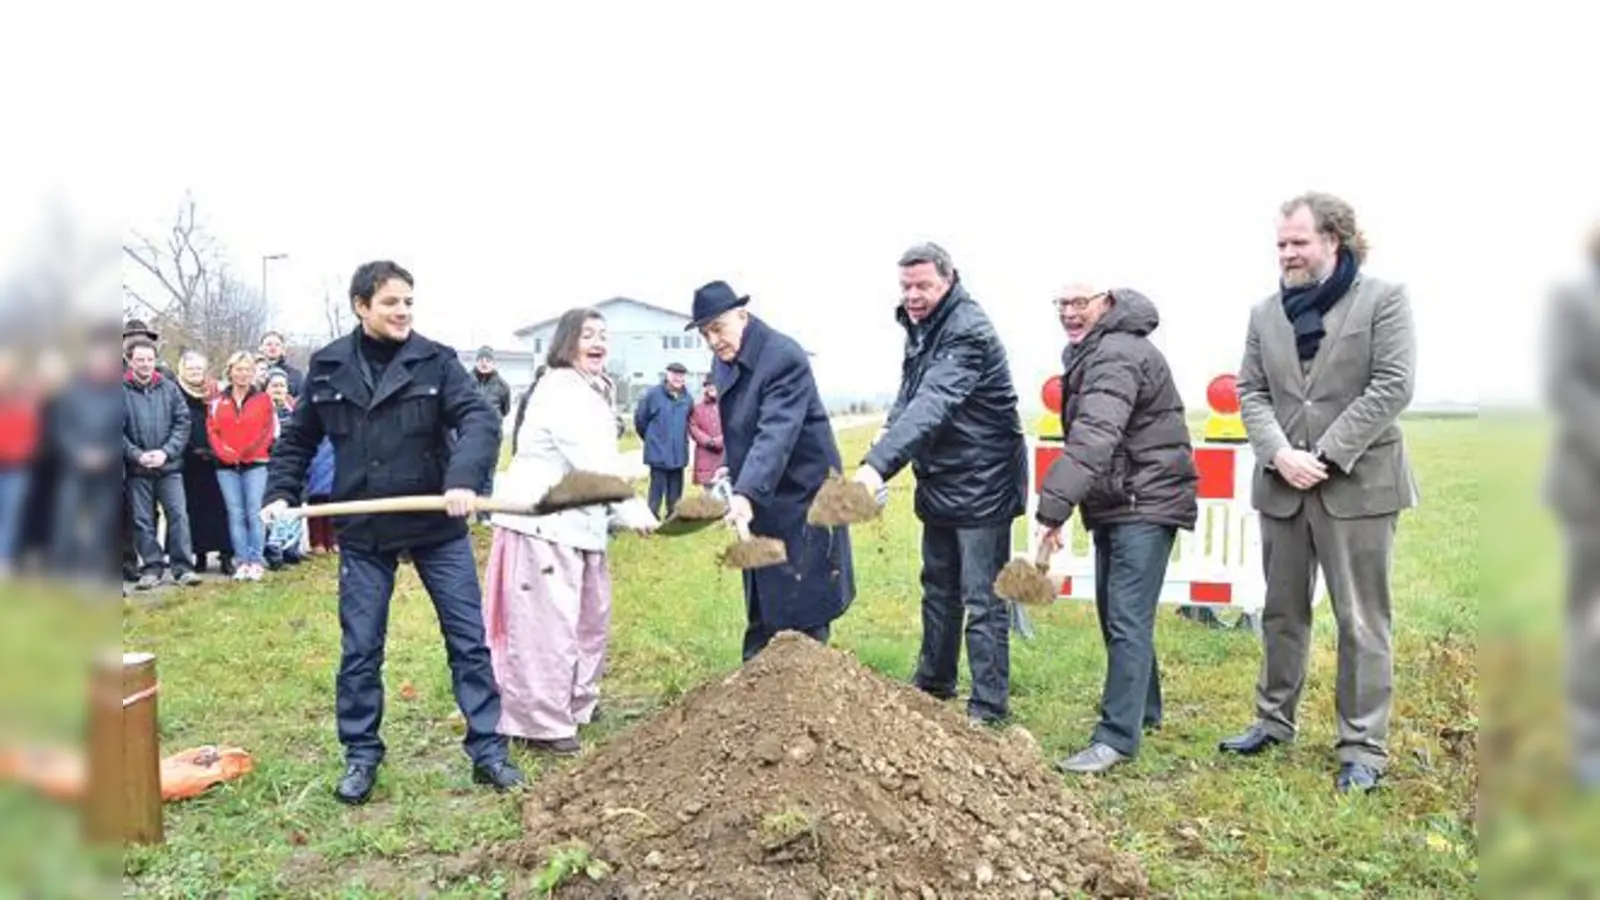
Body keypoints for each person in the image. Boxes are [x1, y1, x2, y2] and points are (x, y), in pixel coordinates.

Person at [262, 259, 523, 804]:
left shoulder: (436, 361)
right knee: (360, 648)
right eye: (391, 302)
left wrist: (462, 479)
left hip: (435, 522)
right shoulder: (329, 365)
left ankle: (488, 751)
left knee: (468, 641)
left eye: (408, 301)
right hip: (365, 526)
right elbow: (297, 440)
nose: (403, 311)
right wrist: (280, 492)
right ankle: (361, 755)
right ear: (362, 307)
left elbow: (479, 421)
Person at [1221, 192, 1418, 794]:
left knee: (1361, 620)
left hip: (1357, 487)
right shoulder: (1264, 314)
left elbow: (1393, 385)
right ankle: (1273, 720)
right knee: (1282, 613)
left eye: (1298, 242)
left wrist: (1326, 456)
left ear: (1334, 240)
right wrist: (1280, 453)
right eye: (1281, 243)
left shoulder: (1384, 300)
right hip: (1282, 486)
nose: (1287, 253)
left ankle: (1362, 747)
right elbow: (1250, 391)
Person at [852, 243, 1028, 727]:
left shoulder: (967, 330)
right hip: (943, 479)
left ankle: (988, 709)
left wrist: (874, 468)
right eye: (906, 285)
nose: (912, 295)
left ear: (948, 280)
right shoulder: (923, 326)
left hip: (983, 481)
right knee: (937, 589)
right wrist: (888, 431)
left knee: (982, 597)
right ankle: (933, 685)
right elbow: (910, 393)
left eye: (923, 285)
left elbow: (934, 401)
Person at [1033, 283, 1199, 774]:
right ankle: (1143, 711)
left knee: (1125, 616)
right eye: (1060, 302)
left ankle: (1115, 739)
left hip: (1143, 501)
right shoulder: (1098, 350)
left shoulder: (1116, 354)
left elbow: (1094, 435)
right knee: (1118, 612)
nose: (1068, 312)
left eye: (1079, 302)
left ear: (1106, 303)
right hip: (1120, 501)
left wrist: (1053, 508)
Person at [483, 308, 657, 754]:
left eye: (603, 335)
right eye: (588, 335)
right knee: (546, 629)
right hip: (543, 526)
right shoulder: (560, 389)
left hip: (582, 527)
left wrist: (617, 513)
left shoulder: (592, 389)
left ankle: (574, 702)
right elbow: (591, 463)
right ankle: (539, 723)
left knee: (588, 621)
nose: (598, 342)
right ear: (566, 343)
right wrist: (633, 510)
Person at [690, 280, 855, 660]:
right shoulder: (725, 360)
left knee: (804, 608)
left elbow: (776, 433)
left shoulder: (782, 357)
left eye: (717, 328)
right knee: (765, 604)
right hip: (764, 495)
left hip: (805, 499)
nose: (713, 341)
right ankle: (755, 697)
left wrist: (747, 492)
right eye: (705, 333)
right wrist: (730, 473)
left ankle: (807, 703)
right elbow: (739, 428)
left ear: (742, 315)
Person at [1542, 223, 1600, 789]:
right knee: (1587, 620)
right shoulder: (1573, 301)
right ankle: (1588, 742)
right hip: (1589, 488)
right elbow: (1564, 384)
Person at [123, 338, 202, 589]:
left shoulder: (169, 388)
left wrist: (166, 452)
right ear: (129, 360)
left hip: (169, 468)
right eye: (140, 360)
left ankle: (182, 568)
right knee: (142, 520)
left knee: (178, 515)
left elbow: (183, 423)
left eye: (149, 359)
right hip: (137, 468)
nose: (145, 364)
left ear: (155, 360)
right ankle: (152, 567)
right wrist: (136, 454)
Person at [207, 351, 276, 582]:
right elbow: (212, 430)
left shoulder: (263, 399)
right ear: (230, 371)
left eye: (247, 369)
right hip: (225, 465)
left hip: (255, 463)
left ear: (253, 372)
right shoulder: (217, 400)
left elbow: (268, 431)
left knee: (255, 512)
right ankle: (242, 561)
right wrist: (224, 452)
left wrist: (248, 451)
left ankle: (256, 561)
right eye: (238, 369)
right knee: (235, 514)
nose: (243, 374)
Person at [174, 350, 234, 577]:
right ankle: (198, 555)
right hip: (188, 459)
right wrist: (190, 448)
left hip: (217, 459)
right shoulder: (175, 391)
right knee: (194, 510)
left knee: (222, 509)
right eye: (190, 369)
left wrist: (218, 448)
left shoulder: (217, 391)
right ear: (182, 370)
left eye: (198, 369)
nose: (195, 373)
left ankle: (226, 556)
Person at [632, 362, 692, 520]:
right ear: (667, 375)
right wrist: (652, 439)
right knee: (656, 489)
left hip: (678, 452)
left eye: (681, 375)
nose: (678, 378)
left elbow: (689, 421)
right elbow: (640, 420)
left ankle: (673, 516)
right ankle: (651, 517)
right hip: (658, 451)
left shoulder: (687, 398)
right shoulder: (653, 395)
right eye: (674, 374)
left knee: (676, 489)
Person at [262, 369, 306, 569]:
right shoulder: (261, 408)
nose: (278, 389)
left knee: (295, 504)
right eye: (274, 385)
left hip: (293, 464)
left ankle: (291, 547)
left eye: (282, 386)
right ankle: (273, 548)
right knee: (275, 504)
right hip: (269, 461)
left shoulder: (295, 409)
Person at [688, 380, 724, 490]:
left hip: (725, 455)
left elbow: (734, 426)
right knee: (710, 495)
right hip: (705, 456)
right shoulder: (697, 408)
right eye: (708, 385)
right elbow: (693, 427)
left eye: (714, 384)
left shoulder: (728, 406)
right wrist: (708, 441)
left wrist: (719, 441)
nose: (711, 387)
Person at [259, 330, 305, 397]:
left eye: (277, 344)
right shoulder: (251, 371)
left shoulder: (294, 374)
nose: (273, 347)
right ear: (261, 348)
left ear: (283, 349)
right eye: (269, 344)